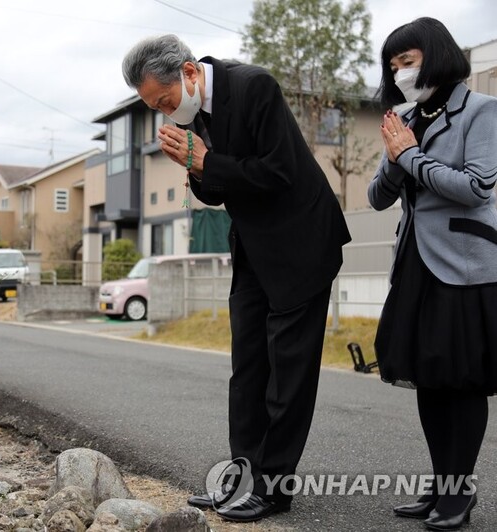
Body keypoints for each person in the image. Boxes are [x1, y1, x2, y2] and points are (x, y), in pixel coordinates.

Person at [121, 35, 350, 522]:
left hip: (302, 243)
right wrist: (193, 165)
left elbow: (278, 172)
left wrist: (206, 160)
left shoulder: (254, 88)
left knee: (288, 372)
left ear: (188, 73)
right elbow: (217, 191)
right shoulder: (193, 115)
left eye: (164, 101)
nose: (165, 113)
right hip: (252, 247)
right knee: (247, 368)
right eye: (155, 108)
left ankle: (273, 486)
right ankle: (242, 476)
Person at [368, 17, 497, 531]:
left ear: (437, 54)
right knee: (428, 377)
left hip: (466, 264)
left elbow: (477, 187)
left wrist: (411, 154)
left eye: (408, 60)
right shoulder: (403, 117)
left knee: (461, 380)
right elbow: (378, 197)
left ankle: (459, 492)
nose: (401, 72)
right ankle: (442, 483)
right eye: (394, 65)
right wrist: (398, 156)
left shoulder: (482, 112)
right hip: (415, 262)